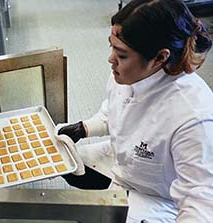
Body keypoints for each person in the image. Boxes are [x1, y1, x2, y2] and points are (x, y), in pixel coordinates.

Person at [58, 0, 213, 222]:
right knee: (67, 162)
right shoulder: (126, 74)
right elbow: (112, 113)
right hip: (127, 163)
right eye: (111, 47)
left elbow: (201, 203)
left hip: (160, 198)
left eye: (121, 55)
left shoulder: (193, 117)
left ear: (161, 57)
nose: (111, 59)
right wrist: (83, 129)